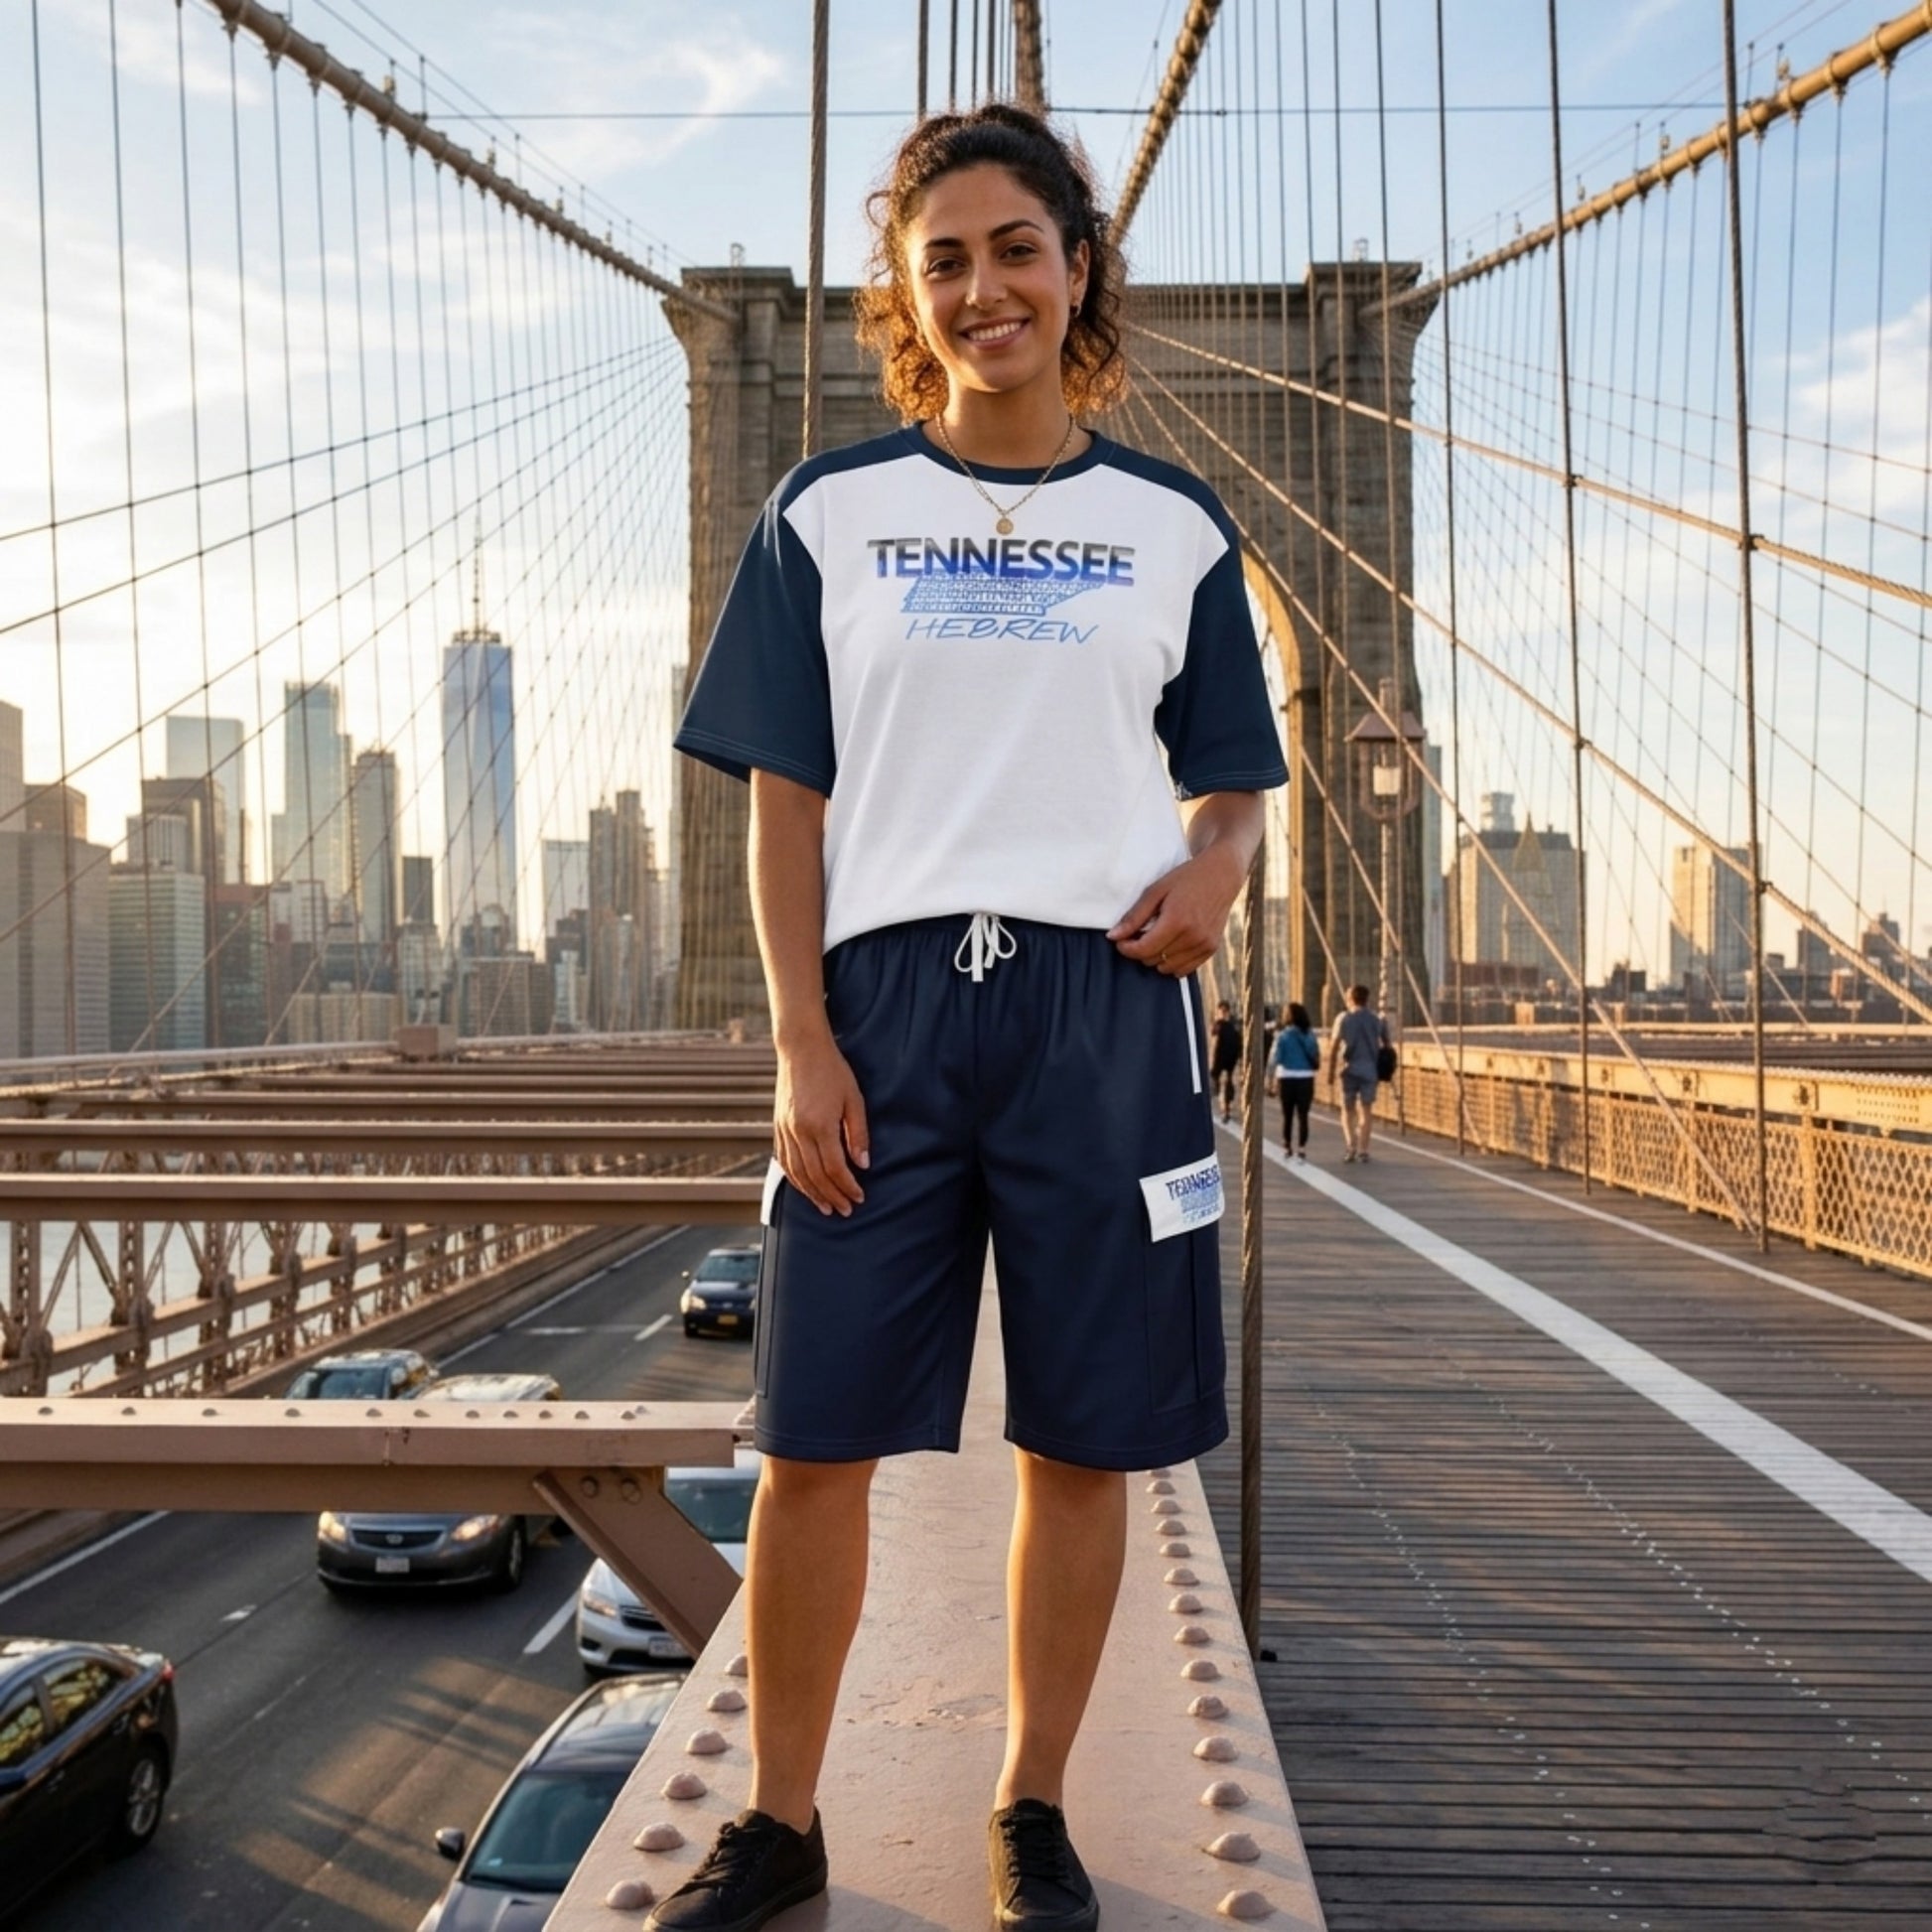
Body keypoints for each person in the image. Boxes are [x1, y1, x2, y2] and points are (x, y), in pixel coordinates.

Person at [660, 103, 1287, 1932]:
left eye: (1018, 247)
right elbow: (785, 798)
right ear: (906, 297)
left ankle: (1030, 1805)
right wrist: (799, 1040)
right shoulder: (825, 513)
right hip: (884, 1009)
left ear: (1078, 266)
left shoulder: (1174, 527)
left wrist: (1223, 864)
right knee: (811, 1439)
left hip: (1108, 1010)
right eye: (945, 260)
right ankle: (780, 1820)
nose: (984, 286)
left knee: (1087, 1439)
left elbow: (1235, 779)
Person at [1328, 984, 1390, 1164]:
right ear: (1367, 999)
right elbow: (1387, 1046)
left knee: (1347, 1110)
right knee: (1366, 1110)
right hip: (1370, 1071)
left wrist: (1330, 1073)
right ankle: (1364, 1149)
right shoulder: (1377, 1020)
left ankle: (1351, 1146)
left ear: (1350, 999)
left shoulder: (1343, 1019)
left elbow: (1333, 1048)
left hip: (1349, 1070)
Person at [1267, 1001, 1319, 1159]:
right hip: (1306, 1077)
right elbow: (1315, 1054)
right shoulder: (1309, 1035)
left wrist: (1270, 1080)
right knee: (1303, 1115)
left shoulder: (1282, 1036)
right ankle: (1302, 1147)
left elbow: (1275, 1059)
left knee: (1287, 1115)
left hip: (1286, 1077)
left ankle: (1287, 1146)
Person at [1209, 999, 1243, 1123]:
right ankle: (1224, 1107)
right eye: (1221, 1011)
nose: (1223, 1013)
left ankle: (1226, 1109)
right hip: (1219, 1061)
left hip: (1230, 1061)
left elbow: (1240, 1042)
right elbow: (1213, 1043)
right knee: (1218, 1085)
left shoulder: (1234, 1026)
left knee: (1227, 1085)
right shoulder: (1218, 1025)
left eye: (1225, 1011)